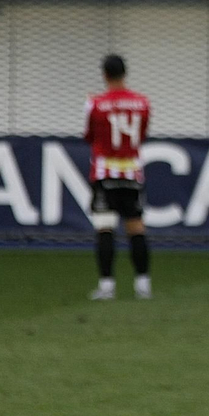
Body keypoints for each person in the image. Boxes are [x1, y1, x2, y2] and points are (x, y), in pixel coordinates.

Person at [84, 54, 152, 301]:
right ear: (125, 73)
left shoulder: (95, 104)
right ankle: (143, 285)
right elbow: (142, 134)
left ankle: (107, 287)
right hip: (131, 171)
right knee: (136, 227)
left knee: (105, 228)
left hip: (105, 172)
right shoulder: (142, 103)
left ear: (105, 75)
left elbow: (89, 135)